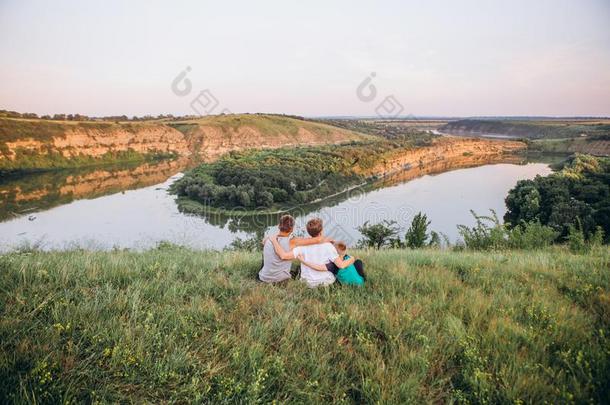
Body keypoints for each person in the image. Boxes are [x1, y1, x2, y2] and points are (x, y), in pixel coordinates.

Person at [269, 218, 355, 288]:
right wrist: (352, 259)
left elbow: (284, 256)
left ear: (309, 232)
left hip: (307, 283)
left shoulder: (301, 246)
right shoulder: (328, 246)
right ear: (321, 231)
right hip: (326, 282)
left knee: (297, 268)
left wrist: (274, 240)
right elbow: (341, 265)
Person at [257, 214, 329, 283]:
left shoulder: (269, 239)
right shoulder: (293, 241)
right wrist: (326, 236)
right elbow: (318, 240)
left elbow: (264, 241)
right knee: (299, 268)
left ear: (279, 226)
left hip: (263, 278)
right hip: (279, 280)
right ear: (292, 229)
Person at [297, 241, 366, 286]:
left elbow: (317, 267)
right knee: (358, 262)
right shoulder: (348, 257)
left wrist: (303, 261)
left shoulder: (333, 265)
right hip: (361, 282)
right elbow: (342, 249)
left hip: (349, 285)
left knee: (335, 277)